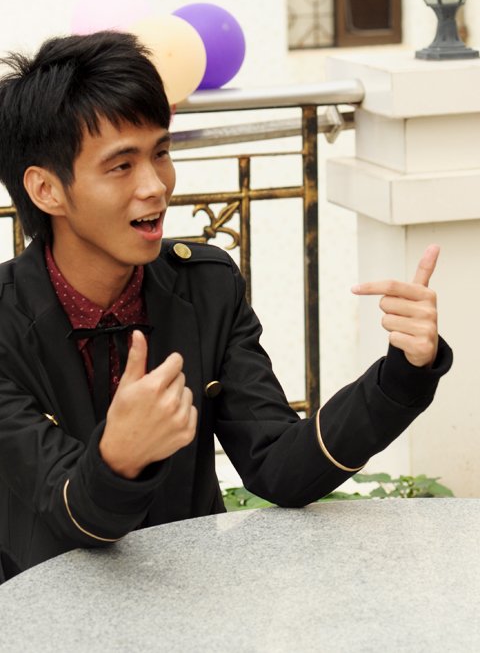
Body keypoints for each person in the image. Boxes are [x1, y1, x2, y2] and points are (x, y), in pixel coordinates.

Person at [0, 32, 452, 582]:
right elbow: (68, 510)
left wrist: (402, 374)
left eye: (160, 153)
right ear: (46, 190)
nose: (156, 186)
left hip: (196, 596)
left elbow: (278, 465)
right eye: (121, 166)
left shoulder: (207, 287)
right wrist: (117, 457)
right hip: (41, 607)